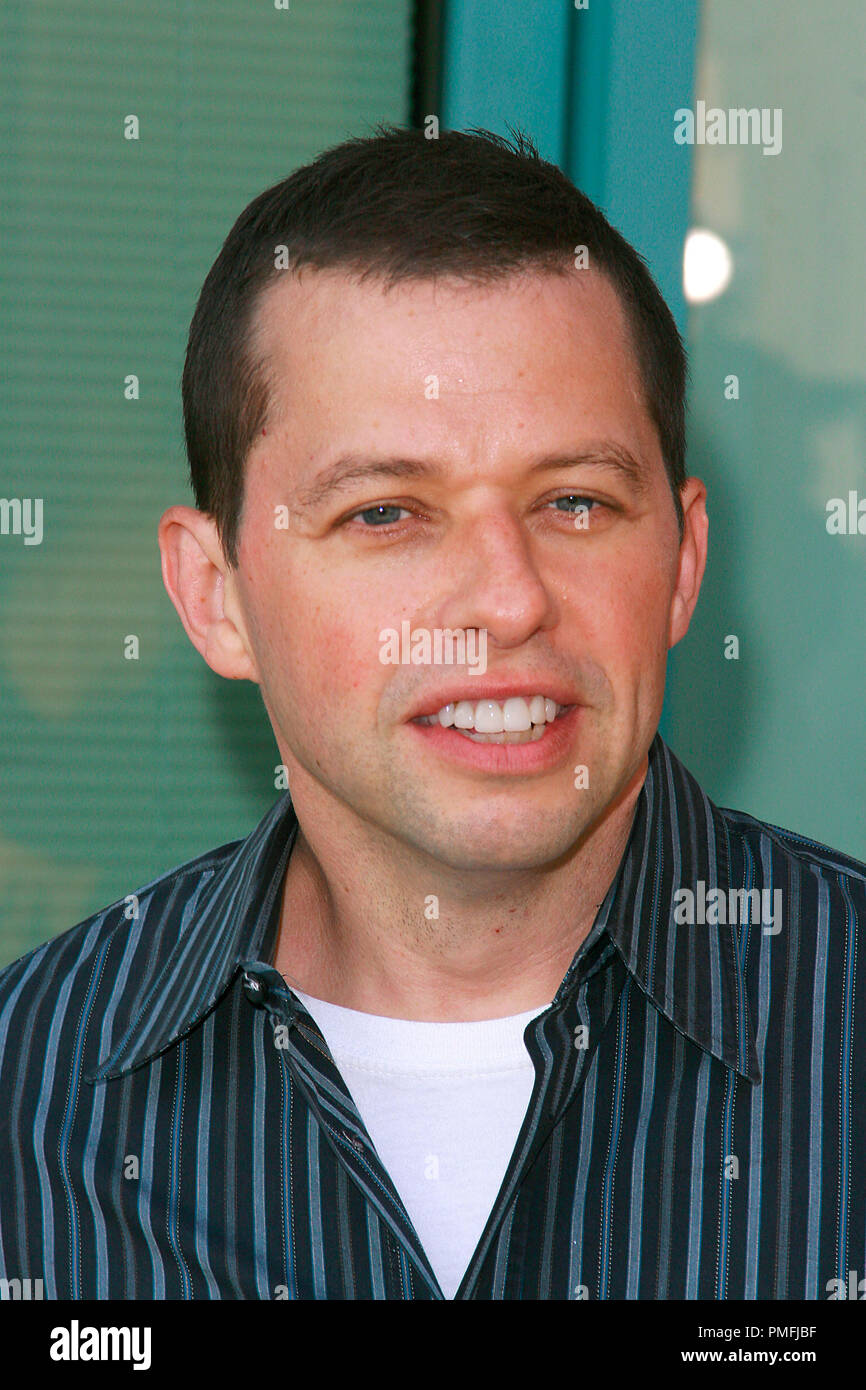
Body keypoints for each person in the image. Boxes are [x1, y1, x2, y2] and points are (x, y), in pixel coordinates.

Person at [0, 126, 863, 1302]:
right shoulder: (32, 1098)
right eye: (385, 514)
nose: (506, 600)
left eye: (572, 501)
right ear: (216, 598)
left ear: (680, 561)